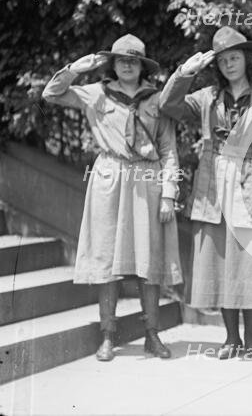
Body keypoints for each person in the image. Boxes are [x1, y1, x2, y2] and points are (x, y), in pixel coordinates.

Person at [42, 34, 182, 361]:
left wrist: (169, 194)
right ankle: (108, 334)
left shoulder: (157, 99)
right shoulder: (96, 94)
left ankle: (152, 334)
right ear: (113, 64)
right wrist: (76, 68)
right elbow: (51, 93)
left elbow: (168, 150)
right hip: (109, 177)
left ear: (142, 65)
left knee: (149, 259)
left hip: (147, 178)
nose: (127, 65)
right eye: (121, 60)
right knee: (107, 257)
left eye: (133, 60)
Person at [159, 26, 252, 360]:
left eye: (235, 57)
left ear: (246, 59)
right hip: (214, 185)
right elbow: (167, 105)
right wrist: (185, 72)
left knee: (250, 263)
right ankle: (231, 338)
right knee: (221, 261)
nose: (230, 64)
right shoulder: (206, 99)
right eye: (223, 60)